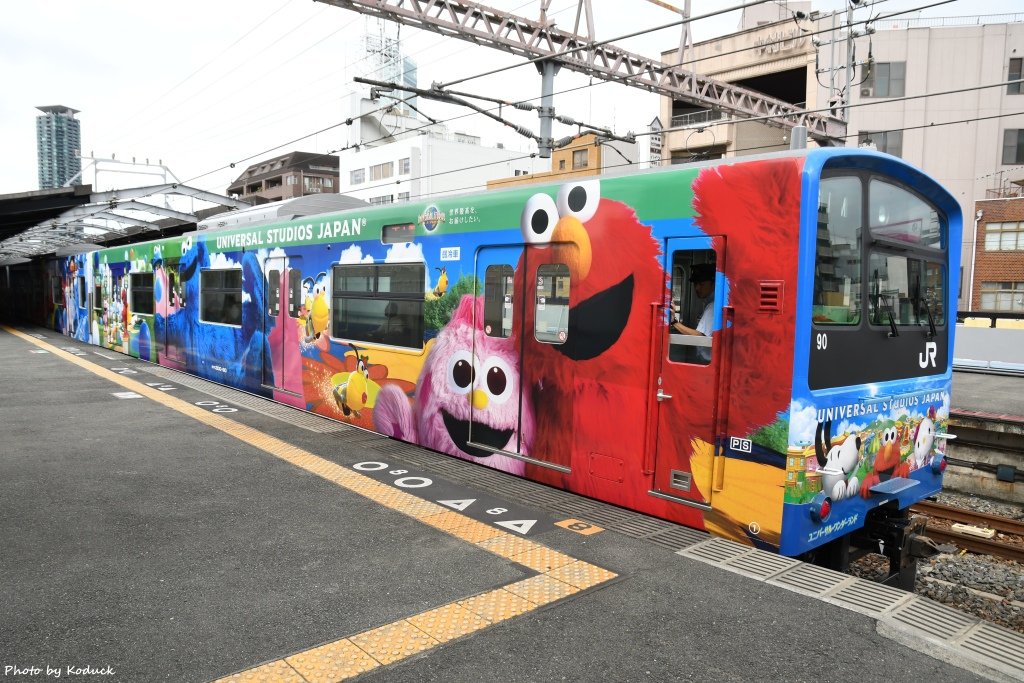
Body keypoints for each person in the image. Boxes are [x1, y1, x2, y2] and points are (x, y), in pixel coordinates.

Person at [672, 262, 715, 338]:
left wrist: (674, 322)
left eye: (702, 284)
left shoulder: (713, 306)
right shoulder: (707, 302)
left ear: (713, 284)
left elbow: (700, 336)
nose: (697, 288)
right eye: (695, 284)